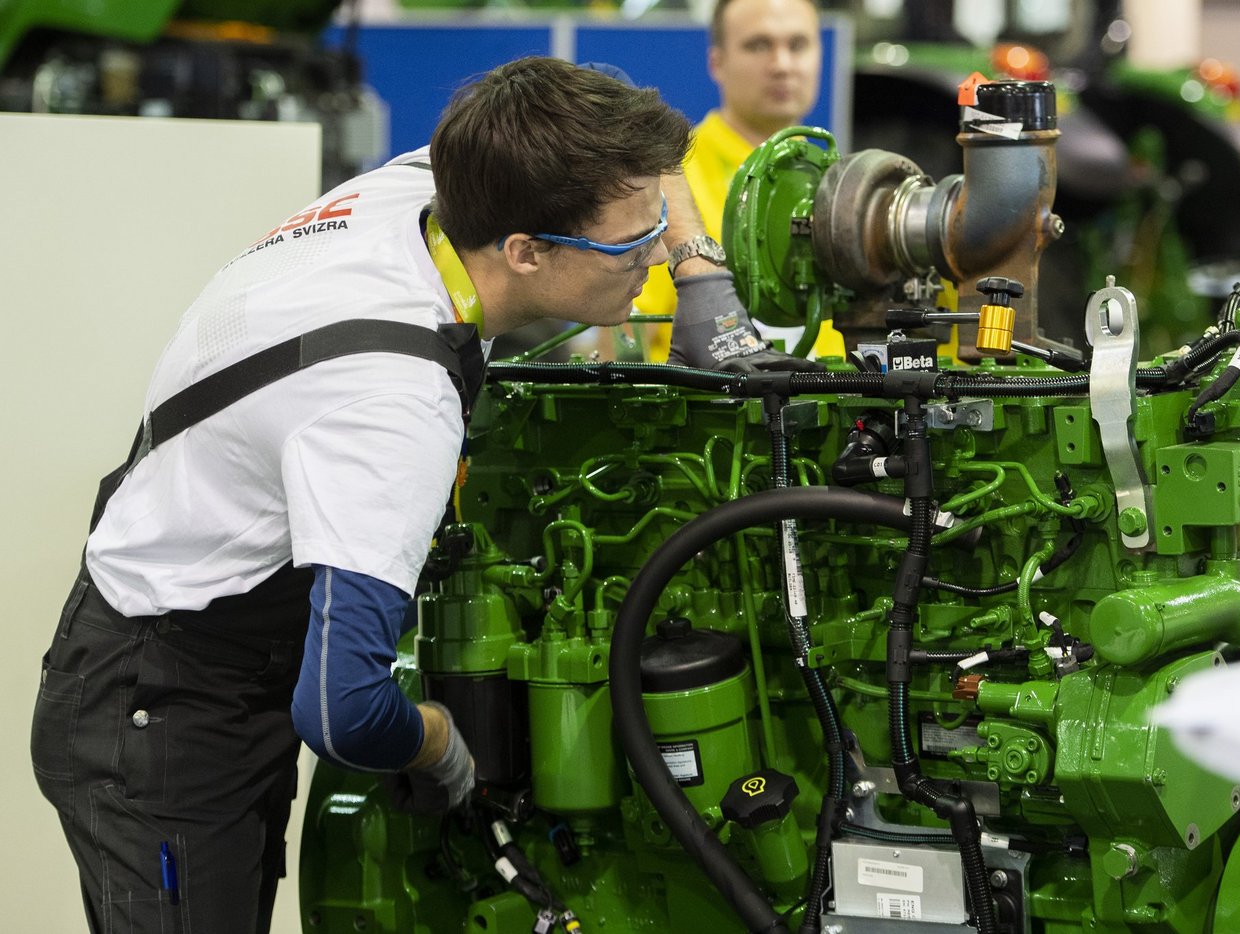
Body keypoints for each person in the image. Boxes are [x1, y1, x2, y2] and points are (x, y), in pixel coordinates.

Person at [28, 56, 795, 934]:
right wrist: (438, 740)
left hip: (208, 632)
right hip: (162, 712)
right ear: (526, 251)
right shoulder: (394, 406)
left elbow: (630, 139)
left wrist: (703, 275)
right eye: (634, 244)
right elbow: (342, 710)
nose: (654, 249)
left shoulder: (449, 181)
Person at [636, 0, 845, 361]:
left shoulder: (843, 183)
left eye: (798, 45)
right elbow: (628, 341)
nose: (782, 65)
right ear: (717, 62)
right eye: (758, 45)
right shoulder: (668, 176)